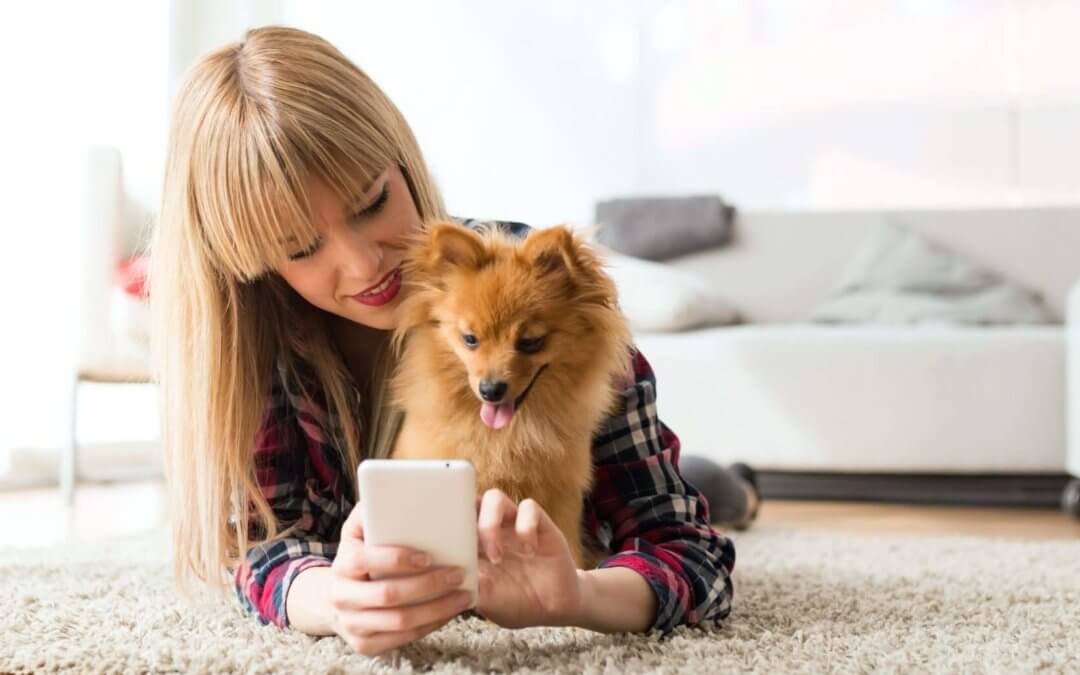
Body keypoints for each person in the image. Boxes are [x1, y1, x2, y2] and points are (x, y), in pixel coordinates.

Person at [149, 25, 759, 657]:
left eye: (370, 204)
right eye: (302, 247)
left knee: (704, 487)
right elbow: (260, 548)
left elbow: (690, 553)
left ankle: (735, 482)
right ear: (252, 263)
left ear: (402, 160)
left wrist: (577, 596)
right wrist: (331, 597)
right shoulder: (264, 345)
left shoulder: (541, 290)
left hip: (597, 500)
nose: (363, 265)